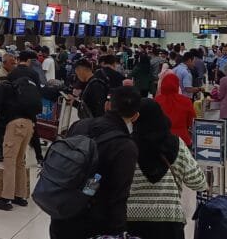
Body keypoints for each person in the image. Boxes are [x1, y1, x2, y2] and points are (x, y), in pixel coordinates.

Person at [49, 87, 141, 239]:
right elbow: (119, 195)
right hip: (95, 222)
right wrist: (119, 231)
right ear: (135, 116)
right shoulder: (125, 146)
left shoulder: (79, 125)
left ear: (107, 105)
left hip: (62, 211)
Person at [126, 99, 207, 239]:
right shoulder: (176, 144)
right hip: (169, 222)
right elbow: (197, 181)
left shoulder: (126, 146)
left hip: (132, 222)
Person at [0, 73, 39, 211]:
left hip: (15, 125)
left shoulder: (0, 87)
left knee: (9, 161)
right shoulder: (19, 92)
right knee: (20, 161)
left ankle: (6, 198)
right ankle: (19, 195)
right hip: (29, 124)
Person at [155, 73, 196, 147]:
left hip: (161, 139)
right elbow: (192, 122)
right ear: (177, 85)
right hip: (182, 139)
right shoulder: (186, 101)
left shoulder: (157, 101)